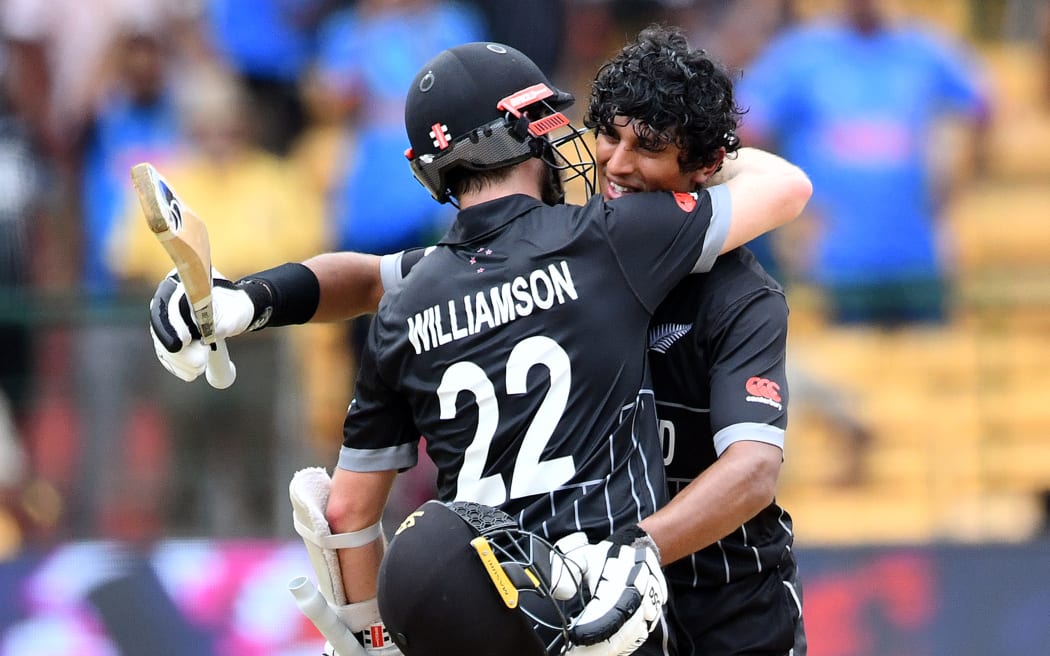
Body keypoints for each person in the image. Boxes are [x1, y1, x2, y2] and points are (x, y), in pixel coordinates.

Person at [149, 39, 811, 655]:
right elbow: (785, 185)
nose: (607, 159)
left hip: (633, 600)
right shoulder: (602, 241)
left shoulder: (413, 302)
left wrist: (249, 301)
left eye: (649, 145)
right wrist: (247, 301)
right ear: (520, 135)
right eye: (602, 134)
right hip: (598, 601)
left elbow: (346, 509)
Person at [737, 0, 991, 326]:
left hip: (918, 259)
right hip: (835, 268)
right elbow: (745, 125)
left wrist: (958, 185)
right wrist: (782, 216)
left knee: (932, 371)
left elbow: (985, 107)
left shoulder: (925, 50)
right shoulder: (799, 54)